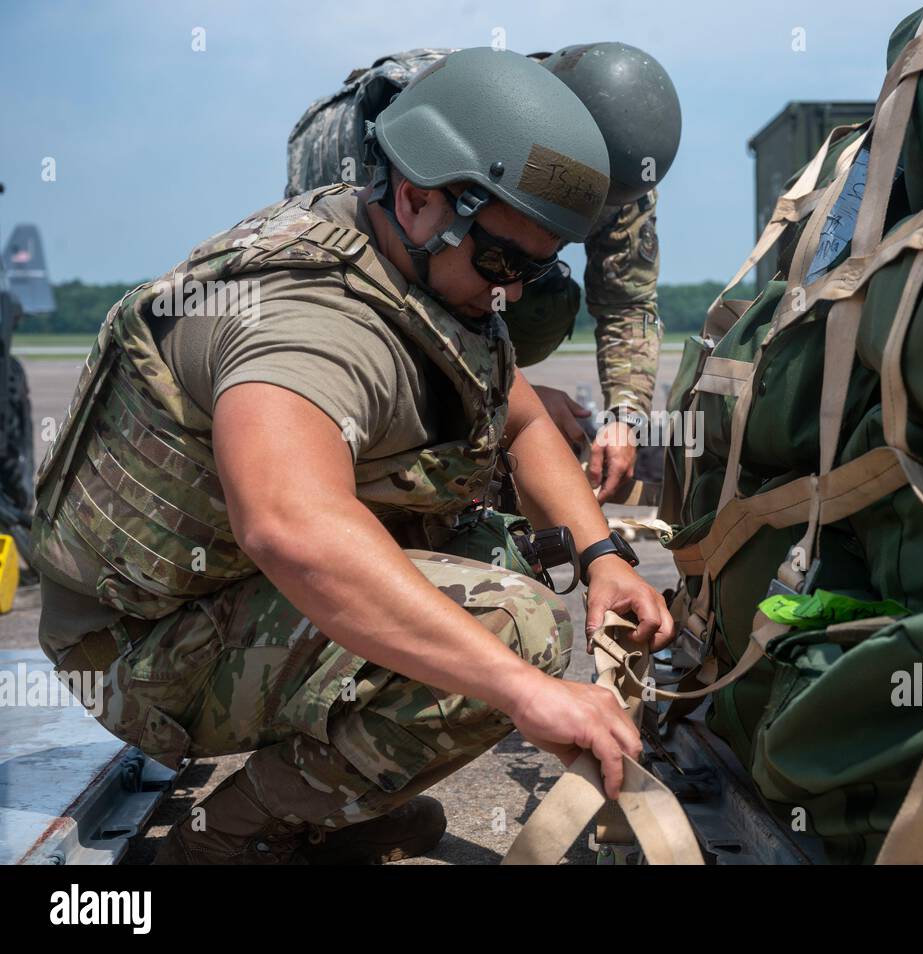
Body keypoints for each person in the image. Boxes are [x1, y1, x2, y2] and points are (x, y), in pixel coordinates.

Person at [31, 48, 673, 865]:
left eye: (539, 269)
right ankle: (239, 833)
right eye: (504, 263)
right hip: (136, 648)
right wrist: (529, 696)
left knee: (488, 551)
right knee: (514, 628)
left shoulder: (414, 258)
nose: (513, 290)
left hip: (213, 591)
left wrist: (602, 555)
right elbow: (292, 528)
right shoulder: (306, 317)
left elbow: (515, 420)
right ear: (416, 198)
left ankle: (324, 799)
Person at [287, 42, 682, 501]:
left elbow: (627, 303)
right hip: (371, 239)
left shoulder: (623, 173)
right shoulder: (442, 113)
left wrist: (625, 419)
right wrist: (511, 396)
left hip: (457, 244)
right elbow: (390, 279)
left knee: (535, 294)